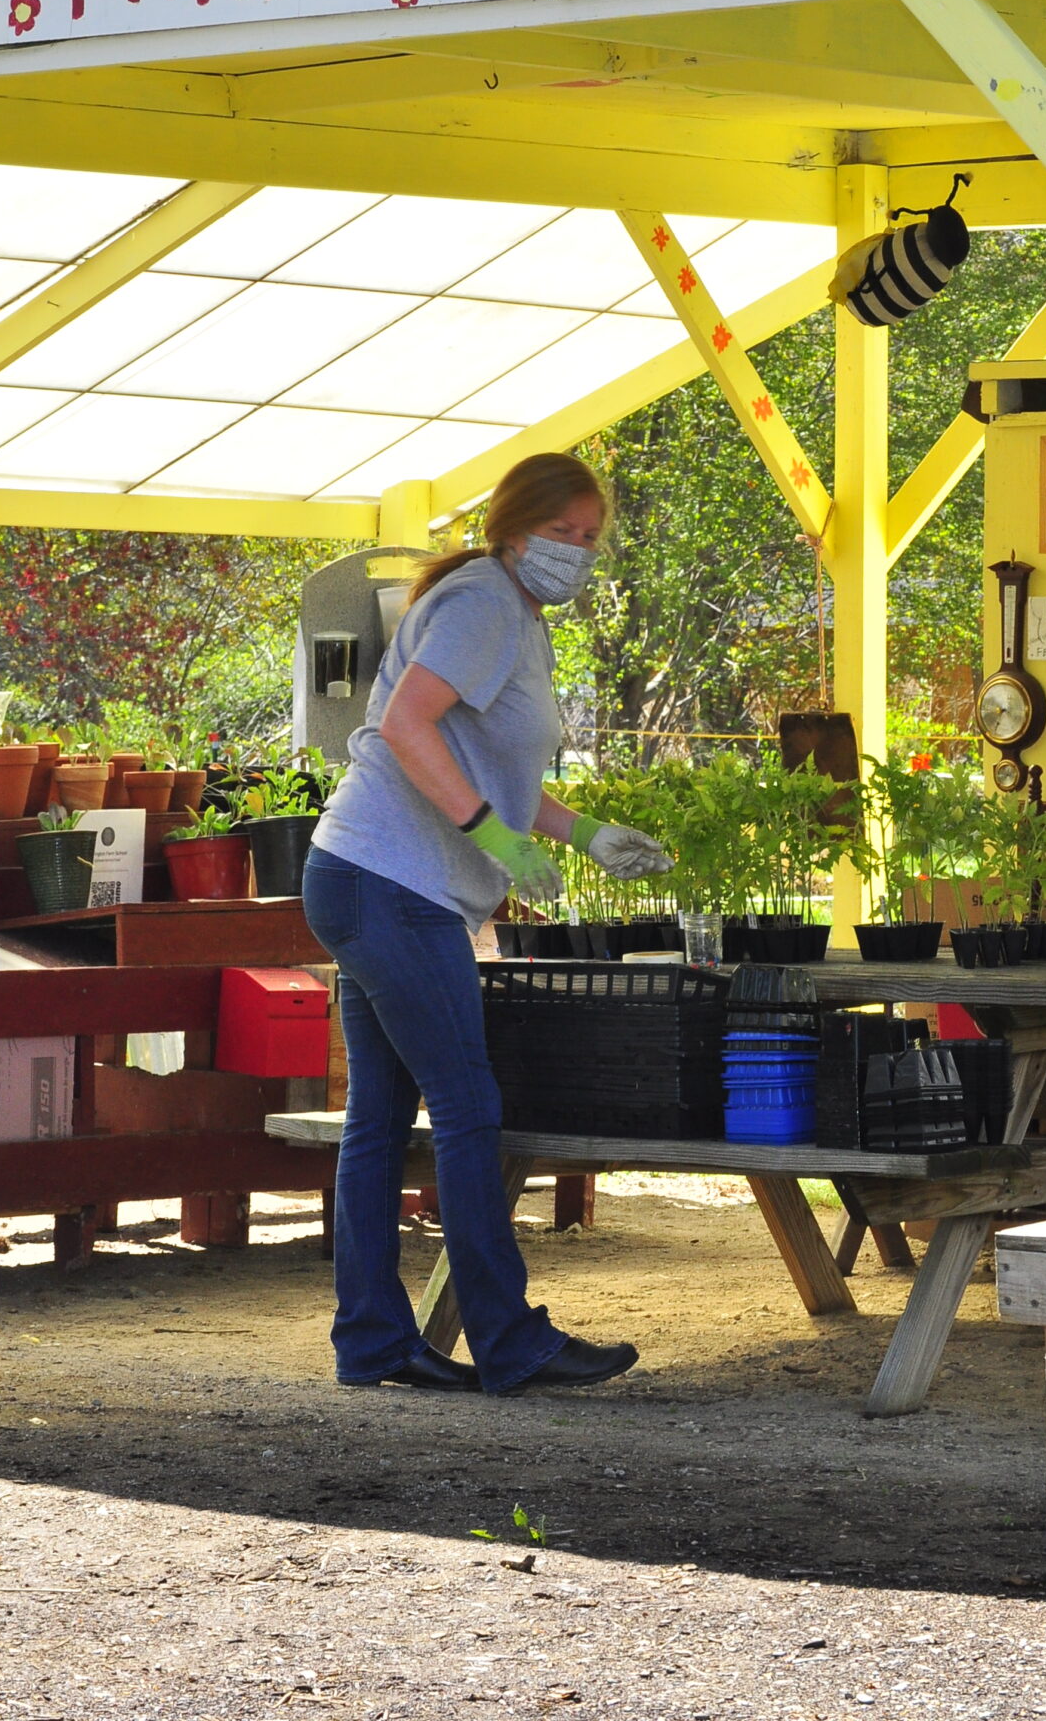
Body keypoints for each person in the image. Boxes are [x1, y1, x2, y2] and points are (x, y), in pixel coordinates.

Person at [302, 451, 672, 1397]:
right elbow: (407, 729)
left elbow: (488, 766)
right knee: (468, 1107)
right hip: (391, 883)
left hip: (363, 876)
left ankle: (374, 1341)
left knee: (380, 1120)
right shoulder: (481, 604)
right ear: (512, 528)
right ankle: (510, 1342)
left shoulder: (515, 614)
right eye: (561, 533)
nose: (576, 551)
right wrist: (492, 838)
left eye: (589, 537)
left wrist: (584, 833)